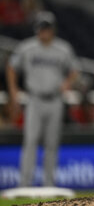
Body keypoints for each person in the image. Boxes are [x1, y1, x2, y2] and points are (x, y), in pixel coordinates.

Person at [6, 11, 78, 187]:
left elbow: (75, 70)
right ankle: (24, 184)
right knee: (30, 142)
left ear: (53, 29)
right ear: (36, 29)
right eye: (41, 28)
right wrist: (14, 90)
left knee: (52, 144)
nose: (44, 32)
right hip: (35, 99)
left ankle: (49, 184)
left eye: (47, 28)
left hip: (55, 100)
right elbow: (11, 67)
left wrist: (67, 83)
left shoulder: (63, 48)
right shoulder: (27, 47)